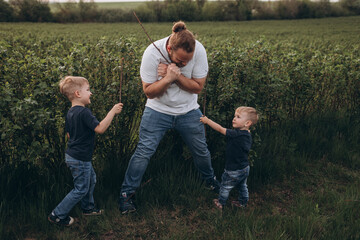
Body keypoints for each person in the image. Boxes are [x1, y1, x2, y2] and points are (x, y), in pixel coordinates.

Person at [118, 21, 220, 214]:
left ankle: (210, 182)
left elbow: (198, 87)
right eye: (180, 61)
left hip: (189, 110)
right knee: (143, 152)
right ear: (169, 49)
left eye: (187, 61)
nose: (184, 64)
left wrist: (176, 75)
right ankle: (126, 195)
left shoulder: (198, 51)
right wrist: (166, 79)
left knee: (201, 151)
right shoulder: (152, 52)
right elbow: (149, 92)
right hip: (157, 110)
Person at [48, 76, 123, 226]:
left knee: (91, 180)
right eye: (88, 90)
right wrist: (113, 112)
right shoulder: (84, 113)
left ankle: (88, 208)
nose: (91, 93)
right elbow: (100, 128)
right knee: (81, 189)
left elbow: (69, 134)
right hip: (80, 158)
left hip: (73, 155)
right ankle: (57, 214)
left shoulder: (71, 112)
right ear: (78, 93)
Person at [200, 106, 259, 210]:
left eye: (238, 117)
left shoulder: (235, 134)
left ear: (247, 123)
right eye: (234, 116)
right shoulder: (247, 134)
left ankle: (220, 203)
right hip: (244, 168)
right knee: (242, 186)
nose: (234, 118)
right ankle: (243, 203)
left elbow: (220, 129)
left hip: (233, 170)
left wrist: (207, 121)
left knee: (225, 187)